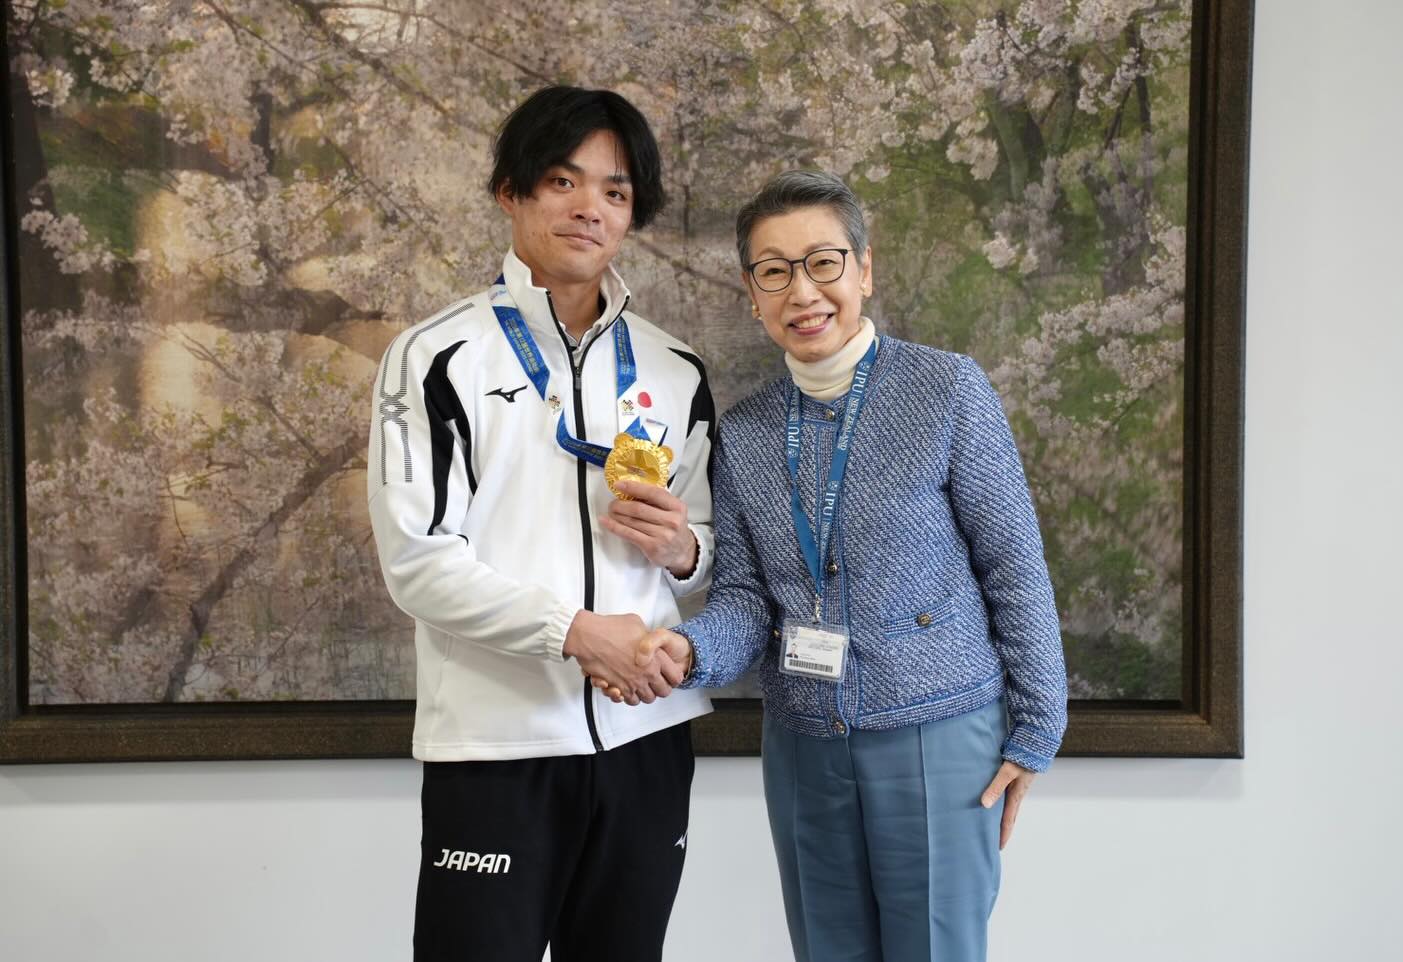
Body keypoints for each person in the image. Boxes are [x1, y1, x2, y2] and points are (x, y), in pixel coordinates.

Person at [596, 170, 1068, 961]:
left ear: (864, 270)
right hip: (803, 745)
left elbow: (1013, 565)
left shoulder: (947, 389)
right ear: (753, 295)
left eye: (823, 262)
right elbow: (746, 596)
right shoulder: (746, 431)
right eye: (774, 271)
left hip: (940, 734)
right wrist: (687, 649)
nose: (803, 291)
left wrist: (1037, 730)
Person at [367, 85, 716, 962]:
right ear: (510, 192)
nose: (589, 207)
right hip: (498, 746)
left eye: (615, 190)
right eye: (563, 181)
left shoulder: (676, 370)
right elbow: (418, 564)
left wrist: (684, 551)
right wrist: (576, 632)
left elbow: (710, 560)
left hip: (647, 741)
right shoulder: (435, 356)